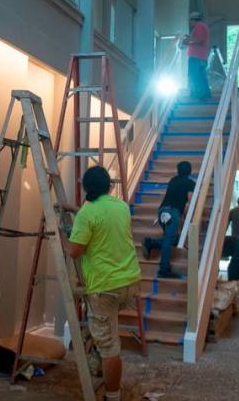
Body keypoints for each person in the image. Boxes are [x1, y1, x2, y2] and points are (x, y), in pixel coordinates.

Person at [67, 166, 142, 401]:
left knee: (110, 347)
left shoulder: (86, 215)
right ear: (109, 186)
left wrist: (60, 235)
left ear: (86, 187)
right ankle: (98, 360)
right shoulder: (121, 207)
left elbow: (75, 251)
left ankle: (112, 396)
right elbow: (102, 220)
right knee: (103, 328)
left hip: (105, 287)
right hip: (129, 283)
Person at [141, 160, 196, 279]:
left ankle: (150, 243)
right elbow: (191, 201)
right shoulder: (191, 183)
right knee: (168, 241)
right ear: (190, 171)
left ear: (178, 170)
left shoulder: (173, 180)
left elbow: (171, 196)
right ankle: (164, 269)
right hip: (173, 213)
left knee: (173, 240)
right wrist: (192, 217)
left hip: (162, 212)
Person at [181, 11, 211, 100]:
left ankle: (197, 96)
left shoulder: (199, 26)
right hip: (201, 57)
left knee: (194, 76)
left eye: (190, 21)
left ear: (194, 20)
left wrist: (187, 41)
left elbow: (199, 40)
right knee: (201, 77)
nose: (189, 23)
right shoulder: (203, 27)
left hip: (196, 57)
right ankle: (205, 95)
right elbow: (199, 39)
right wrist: (190, 37)